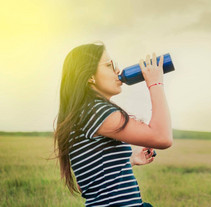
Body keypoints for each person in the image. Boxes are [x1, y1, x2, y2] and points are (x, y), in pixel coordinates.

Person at [53, 41, 173, 207]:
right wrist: (155, 83)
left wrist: (128, 160)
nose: (118, 70)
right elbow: (162, 137)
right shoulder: (96, 112)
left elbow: (85, 184)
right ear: (90, 76)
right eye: (110, 65)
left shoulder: (82, 113)